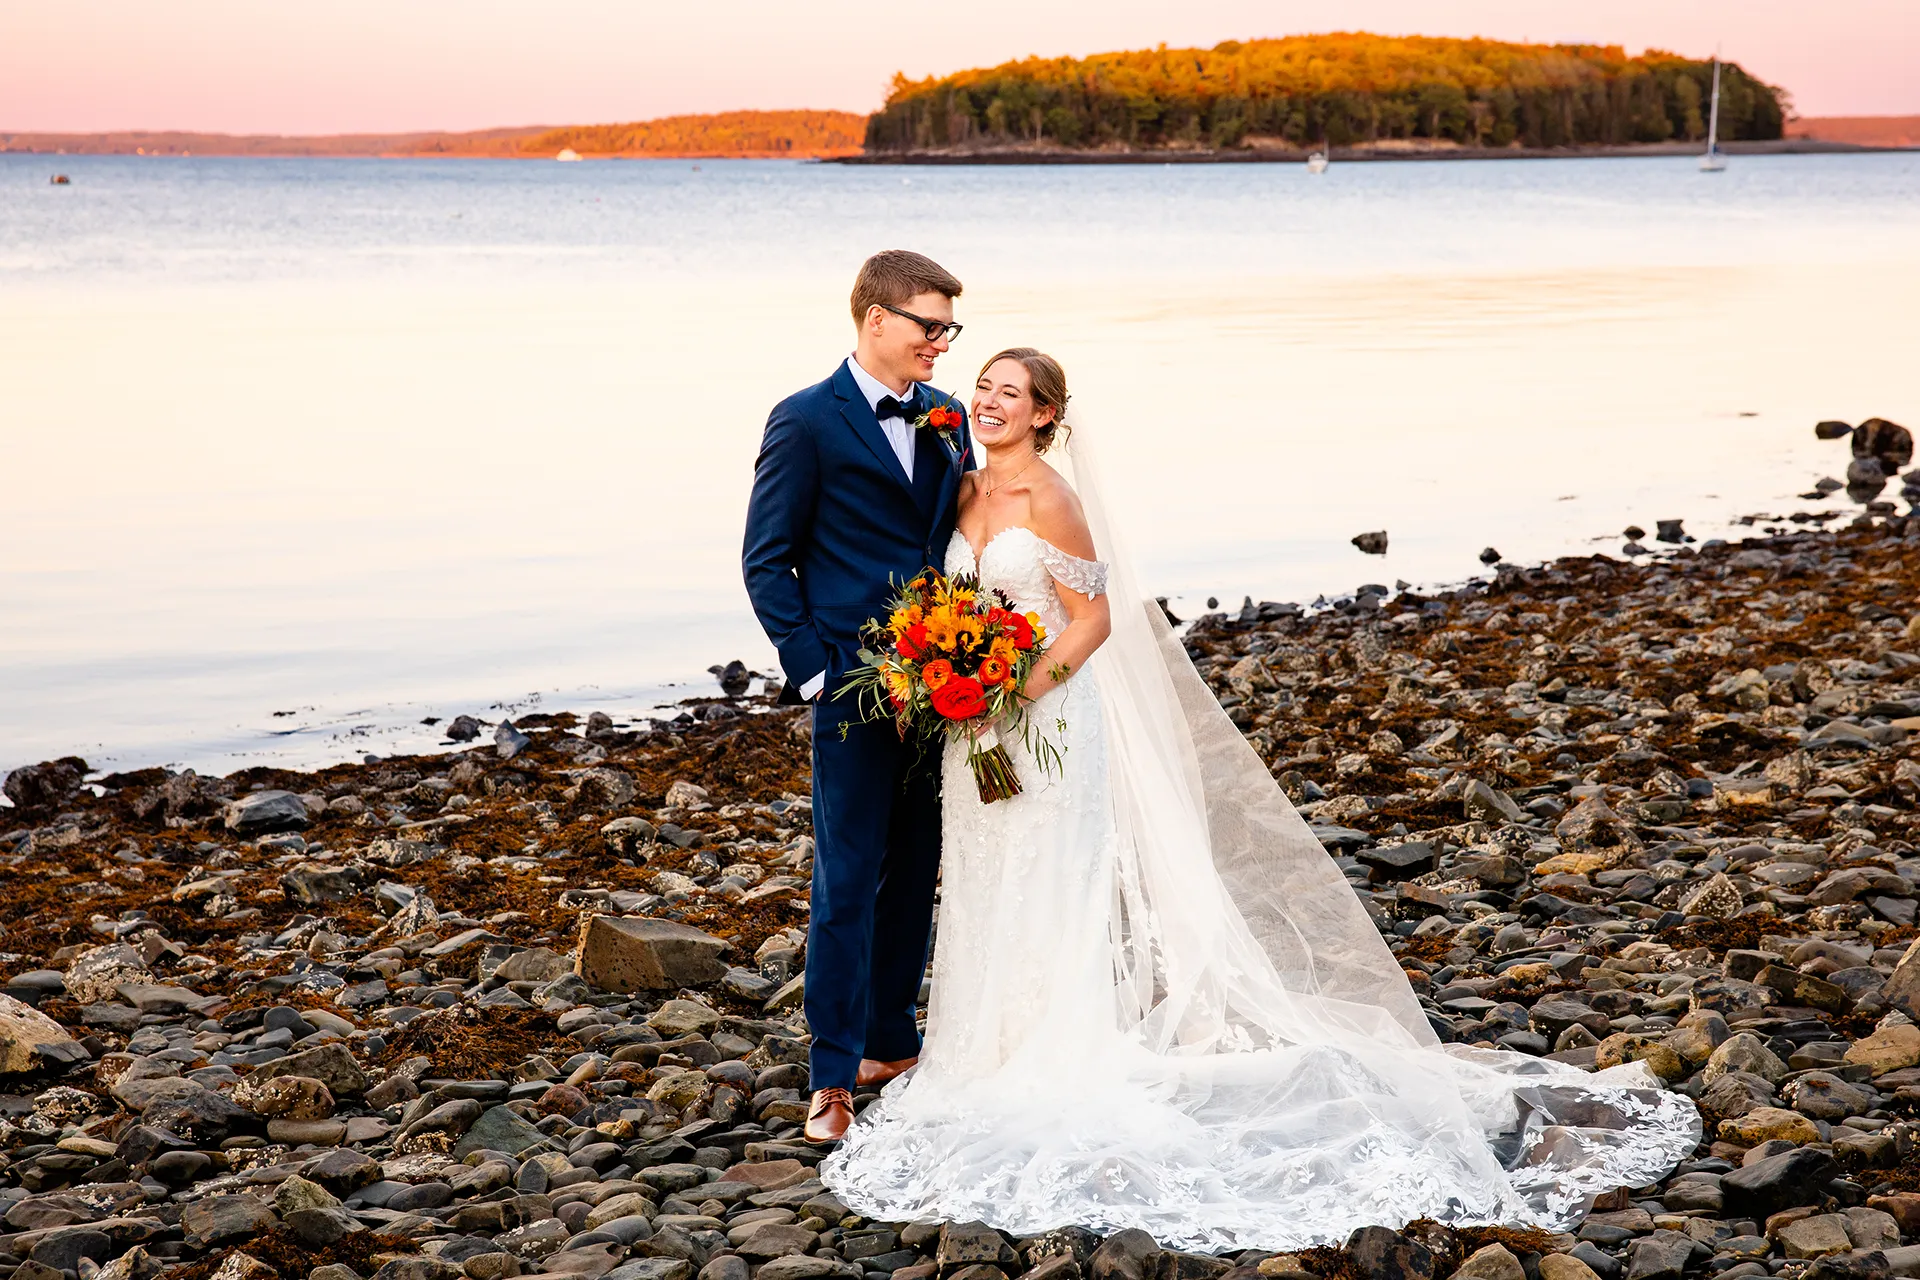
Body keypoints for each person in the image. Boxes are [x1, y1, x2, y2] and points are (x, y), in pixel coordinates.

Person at [818, 348, 1701, 1252]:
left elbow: (1093, 621)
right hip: (975, 735)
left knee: (1052, 876)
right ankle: (983, 1049)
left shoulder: (1054, 498)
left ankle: (1059, 1046)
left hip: (1044, 720)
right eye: (985, 389)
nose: (990, 402)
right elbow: (950, 597)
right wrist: (951, 676)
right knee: (982, 881)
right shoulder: (962, 489)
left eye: (1011, 394)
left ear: (1046, 415)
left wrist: (1017, 690)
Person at [742, 249, 972, 1143]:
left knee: (916, 869)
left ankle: (890, 1042)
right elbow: (768, 558)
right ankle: (831, 1077)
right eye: (930, 325)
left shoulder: (947, 419)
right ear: (876, 319)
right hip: (852, 687)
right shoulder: (805, 420)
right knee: (844, 883)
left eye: (950, 327)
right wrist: (815, 671)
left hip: (945, 686)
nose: (942, 343)